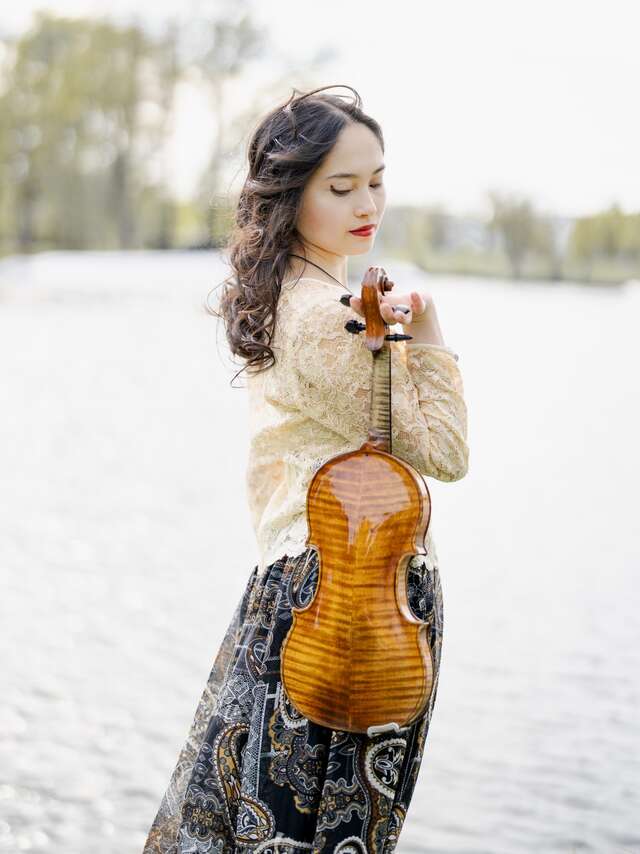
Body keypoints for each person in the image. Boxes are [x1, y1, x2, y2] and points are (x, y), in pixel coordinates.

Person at [143, 83, 469, 854]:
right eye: (342, 185)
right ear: (292, 194)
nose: (369, 204)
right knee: (324, 830)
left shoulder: (296, 292)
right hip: (350, 604)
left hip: (300, 593)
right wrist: (428, 333)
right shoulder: (325, 315)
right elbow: (447, 454)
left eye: (378, 179)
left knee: (248, 816)